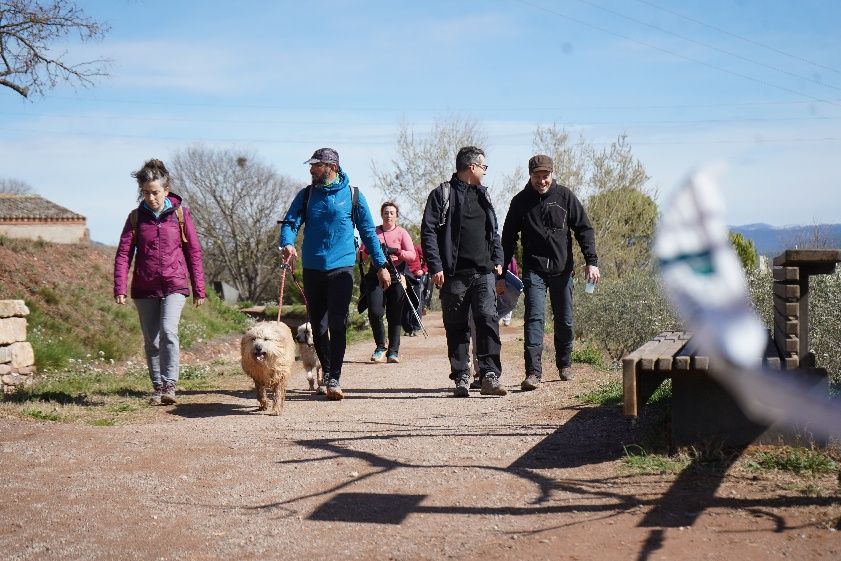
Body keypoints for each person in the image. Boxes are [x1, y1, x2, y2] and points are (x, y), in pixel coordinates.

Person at [279, 148, 390, 400]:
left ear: (331, 167)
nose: (311, 170)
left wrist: (381, 265)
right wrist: (286, 243)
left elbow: (368, 233)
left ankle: (333, 377)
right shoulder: (307, 195)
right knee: (318, 327)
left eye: (316, 166)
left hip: (342, 267)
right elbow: (291, 222)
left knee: (338, 323)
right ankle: (327, 370)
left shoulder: (353, 196)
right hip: (313, 267)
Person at [500, 154, 600, 392]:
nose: (542, 181)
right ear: (530, 176)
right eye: (537, 177)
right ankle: (533, 372)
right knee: (534, 318)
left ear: (552, 174)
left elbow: (584, 229)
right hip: (534, 269)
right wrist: (501, 268)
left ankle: (565, 364)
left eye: (545, 176)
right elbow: (508, 238)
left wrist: (591, 261)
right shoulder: (520, 202)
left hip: (563, 269)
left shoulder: (565, 196)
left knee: (564, 319)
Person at [114, 158, 206, 406]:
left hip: (175, 284)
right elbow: (124, 254)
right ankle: (157, 387)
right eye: (146, 193)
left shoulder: (180, 215)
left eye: (155, 192)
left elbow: (194, 252)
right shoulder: (135, 218)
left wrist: (199, 289)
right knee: (151, 340)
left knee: (168, 331)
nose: (151, 198)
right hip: (144, 287)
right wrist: (120, 287)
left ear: (166, 190)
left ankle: (170, 385)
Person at [421, 146, 507, 397]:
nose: (485, 172)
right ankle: (461, 377)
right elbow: (428, 232)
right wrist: (435, 265)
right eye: (484, 167)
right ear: (472, 167)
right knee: (457, 325)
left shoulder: (484, 196)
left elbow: (494, 233)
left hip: (484, 273)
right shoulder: (442, 194)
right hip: (454, 274)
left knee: (488, 320)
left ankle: (490, 375)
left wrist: (498, 258)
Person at [359, 201, 416, 363]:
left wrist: (397, 251)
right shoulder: (374, 232)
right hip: (375, 274)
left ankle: (393, 351)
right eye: (386, 212)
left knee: (395, 314)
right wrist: (365, 251)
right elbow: (361, 255)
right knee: (375, 311)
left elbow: (412, 256)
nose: (388, 215)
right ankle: (380, 347)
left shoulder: (402, 233)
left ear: (396, 215)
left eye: (392, 212)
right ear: (381, 214)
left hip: (396, 274)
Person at [402, 242, 428, 336]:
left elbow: (427, 260)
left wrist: (423, 270)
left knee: (416, 301)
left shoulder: (416, 248)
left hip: (416, 278)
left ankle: (416, 327)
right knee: (405, 303)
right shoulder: (399, 251)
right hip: (404, 278)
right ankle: (407, 328)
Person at [499, 256, 518, 326]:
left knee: (508, 301)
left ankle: (506, 321)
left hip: (508, 282)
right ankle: (501, 320)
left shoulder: (511, 259)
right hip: (501, 282)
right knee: (501, 300)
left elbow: (515, 272)